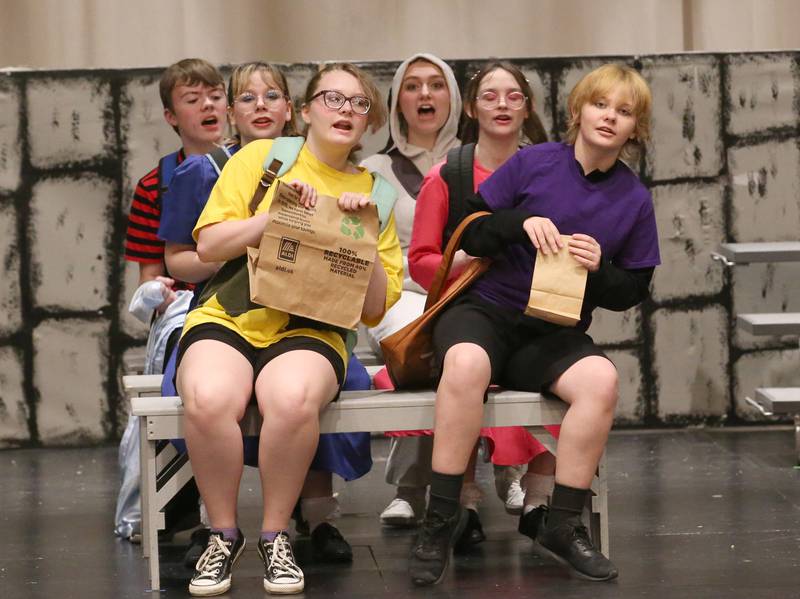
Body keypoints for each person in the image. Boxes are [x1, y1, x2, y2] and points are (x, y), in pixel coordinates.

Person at [408, 63, 660, 585]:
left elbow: (632, 290)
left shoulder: (633, 199)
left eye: (624, 111)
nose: (610, 117)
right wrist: (519, 223)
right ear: (577, 111)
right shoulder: (534, 163)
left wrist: (600, 270)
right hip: (485, 313)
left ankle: (563, 523)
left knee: (602, 381)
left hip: (551, 329)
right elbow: (470, 232)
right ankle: (441, 516)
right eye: (600, 105)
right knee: (464, 362)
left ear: (635, 128)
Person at [177, 62, 402, 596]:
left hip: (312, 328)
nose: (346, 112)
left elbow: (373, 310)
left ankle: (275, 534)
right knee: (208, 398)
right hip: (232, 314)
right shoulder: (264, 157)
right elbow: (207, 245)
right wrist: (272, 215)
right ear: (305, 111)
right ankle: (222, 534)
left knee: (293, 397)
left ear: (368, 122)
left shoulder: (378, 193)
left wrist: (363, 232)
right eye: (333, 100)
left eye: (359, 104)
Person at [408, 60, 556, 551]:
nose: (502, 105)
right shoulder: (447, 174)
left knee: (577, 365)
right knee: (465, 371)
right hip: (470, 309)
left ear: (527, 107)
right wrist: (470, 259)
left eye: (513, 96)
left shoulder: (554, 170)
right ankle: (462, 505)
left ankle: (541, 504)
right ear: (471, 107)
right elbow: (421, 262)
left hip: (535, 309)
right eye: (490, 96)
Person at [115, 58, 227, 542]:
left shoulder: (259, 169)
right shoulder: (155, 185)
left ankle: (314, 509)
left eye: (216, 94)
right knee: (187, 366)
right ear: (171, 116)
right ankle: (185, 505)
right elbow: (154, 281)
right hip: (193, 305)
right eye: (192, 98)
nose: (208, 105)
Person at [360, 53, 461, 528]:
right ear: (398, 100)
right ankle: (411, 486)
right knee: (430, 342)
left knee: (478, 338)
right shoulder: (374, 169)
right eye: (413, 86)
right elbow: (364, 247)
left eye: (436, 85)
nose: (425, 94)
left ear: (453, 98)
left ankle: (504, 475)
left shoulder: (475, 161)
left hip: (467, 290)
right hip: (399, 295)